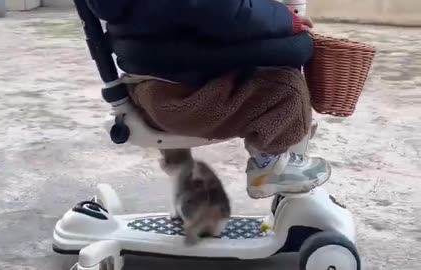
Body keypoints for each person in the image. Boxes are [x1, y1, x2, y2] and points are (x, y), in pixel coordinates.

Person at [87, 0, 330, 198]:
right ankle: (271, 165)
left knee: (281, 51)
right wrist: (285, 19)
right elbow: (220, 10)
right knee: (284, 86)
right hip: (188, 99)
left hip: (146, 89)